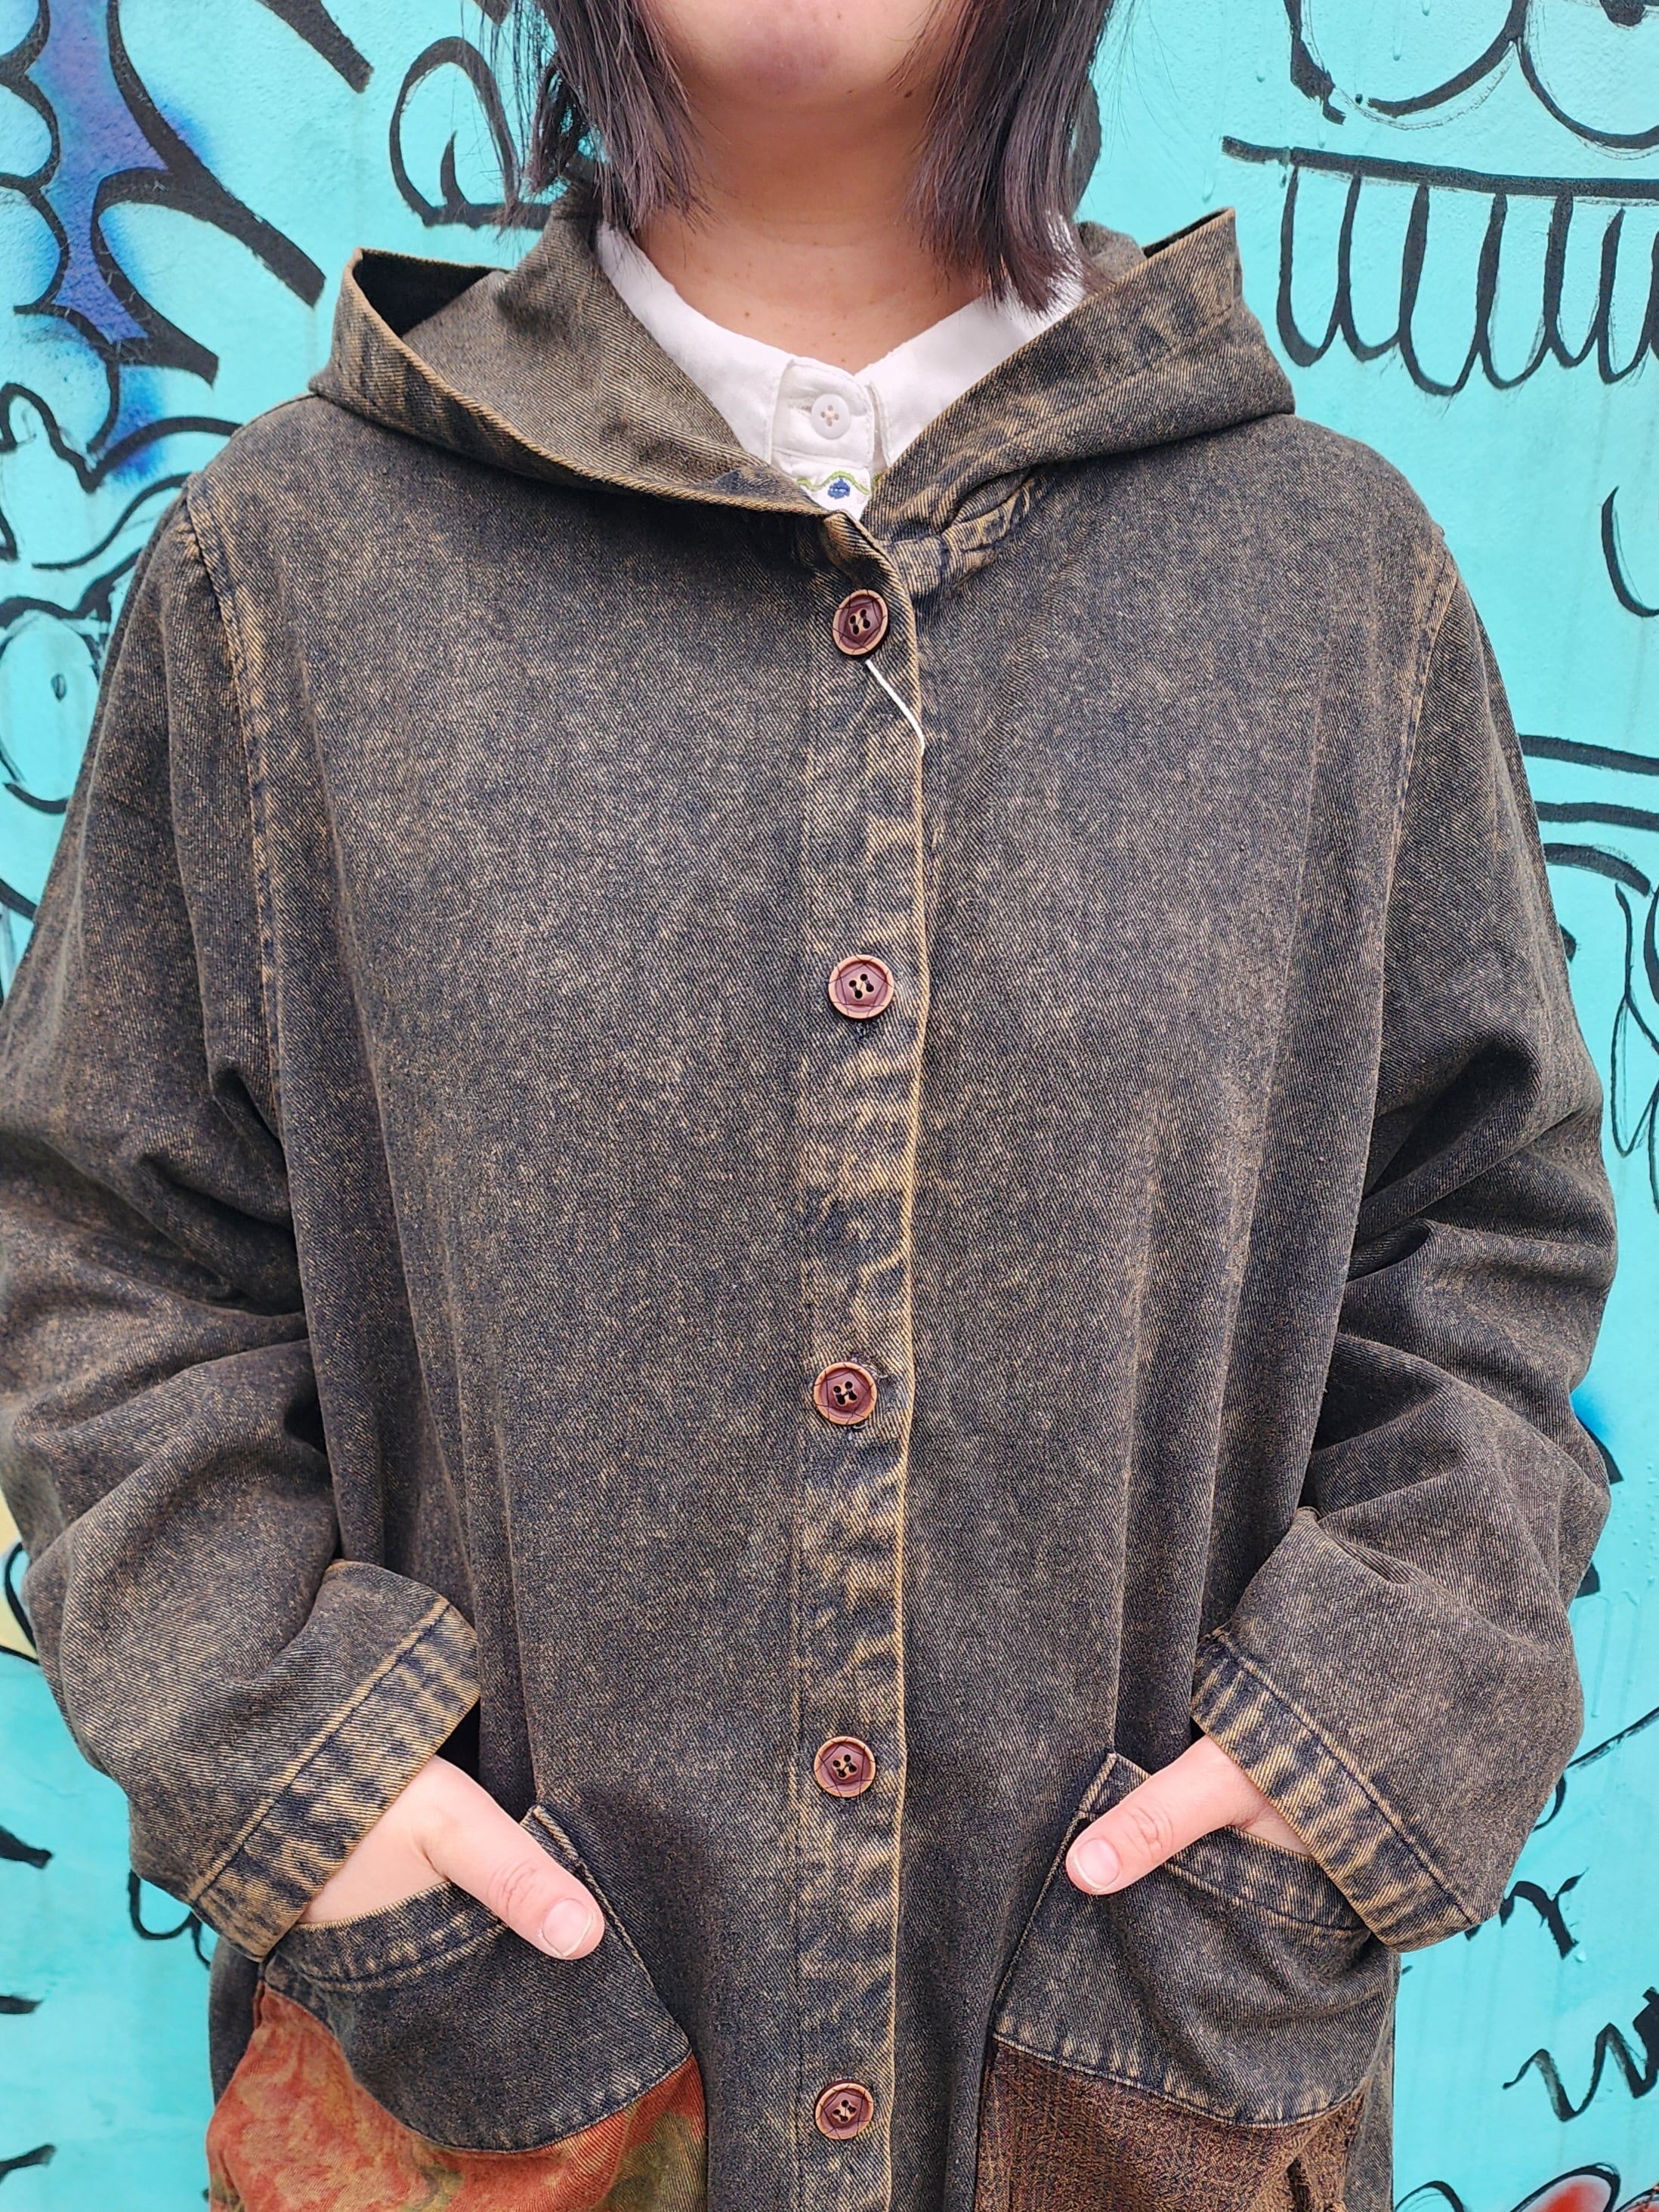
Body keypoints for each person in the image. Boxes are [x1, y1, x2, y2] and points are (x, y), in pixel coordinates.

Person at [0, 0, 1616, 2198]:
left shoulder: (1327, 587)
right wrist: (313, 1773)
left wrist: (1338, 1758)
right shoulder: (292, 574)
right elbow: (102, 1264)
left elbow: (1486, 1250)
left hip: (1148, 2098)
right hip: (483, 2097)